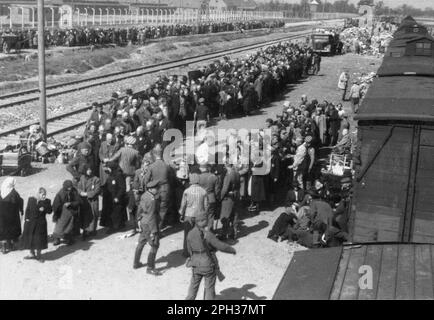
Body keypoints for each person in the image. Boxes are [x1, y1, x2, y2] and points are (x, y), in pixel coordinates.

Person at [185, 213, 236, 300]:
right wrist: (232, 250)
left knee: (193, 288)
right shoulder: (207, 234)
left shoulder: (189, 234)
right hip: (208, 264)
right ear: (201, 221)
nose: (208, 221)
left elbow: (189, 250)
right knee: (209, 289)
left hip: (195, 264)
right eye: (206, 219)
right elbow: (221, 246)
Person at [133, 180, 162, 276]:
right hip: (150, 225)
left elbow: (139, 209)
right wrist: (154, 231)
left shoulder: (144, 195)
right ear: (151, 189)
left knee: (141, 242)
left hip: (143, 222)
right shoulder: (152, 200)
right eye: (156, 188)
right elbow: (152, 216)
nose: (158, 190)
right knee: (155, 245)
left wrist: (138, 220)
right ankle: (150, 268)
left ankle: (136, 263)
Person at [179, 173, 209, 257]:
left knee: (187, 234)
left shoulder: (186, 191)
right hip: (200, 215)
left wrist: (181, 214)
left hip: (189, 215)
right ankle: (200, 251)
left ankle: (186, 252)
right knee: (200, 234)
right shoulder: (203, 191)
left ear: (190, 181)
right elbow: (206, 205)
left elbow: (183, 204)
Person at [21, 187, 52, 261]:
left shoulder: (47, 201)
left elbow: (50, 211)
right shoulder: (31, 199)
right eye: (42, 194)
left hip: (40, 224)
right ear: (38, 193)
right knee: (31, 239)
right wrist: (26, 219)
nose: (44, 196)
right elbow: (27, 209)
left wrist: (44, 207)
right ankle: (32, 253)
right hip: (31, 223)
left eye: (45, 194)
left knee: (39, 240)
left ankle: (39, 255)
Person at [145, 144, 171, 229]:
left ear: (154, 154)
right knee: (162, 210)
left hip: (154, 190)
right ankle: (158, 228)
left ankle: (153, 229)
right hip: (165, 190)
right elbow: (171, 178)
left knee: (154, 209)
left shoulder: (151, 166)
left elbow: (146, 180)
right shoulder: (166, 165)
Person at [52, 180, 82, 246]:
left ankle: (69, 238)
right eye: (68, 187)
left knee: (70, 226)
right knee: (59, 227)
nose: (70, 189)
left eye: (71, 187)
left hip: (71, 212)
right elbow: (55, 205)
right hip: (61, 213)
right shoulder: (60, 193)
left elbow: (78, 201)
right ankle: (57, 238)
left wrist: (71, 203)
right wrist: (62, 207)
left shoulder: (74, 191)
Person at [101, 162, 127, 234]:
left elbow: (122, 188)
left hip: (115, 197)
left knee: (115, 213)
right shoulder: (110, 174)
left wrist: (118, 197)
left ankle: (114, 227)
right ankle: (117, 225)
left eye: (108, 167)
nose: (107, 169)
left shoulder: (118, 175)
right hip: (109, 197)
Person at [0, 177, 24, 254]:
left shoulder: (1, 190)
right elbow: (19, 201)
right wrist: (21, 209)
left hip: (1, 216)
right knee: (11, 229)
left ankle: (3, 247)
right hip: (11, 215)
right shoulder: (13, 193)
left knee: (2, 229)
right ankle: (10, 245)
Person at [77, 165, 101, 239]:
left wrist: (87, 194)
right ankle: (86, 230)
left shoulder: (96, 179)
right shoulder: (82, 178)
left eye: (90, 169)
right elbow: (79, 187)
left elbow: (97, 191)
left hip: (93, 200)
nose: (89, 171)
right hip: (84, 201)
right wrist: (80, 192)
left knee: (94, 215)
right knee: (85, 215)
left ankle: (92, 230)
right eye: (88, 169)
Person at [219, 162, 240, 240]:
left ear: (225, 165)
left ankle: (224, 235)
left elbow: (225, 189)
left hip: (228, 198)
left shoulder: (228, 175)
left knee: (225, 216)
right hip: (236, 196)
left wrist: (220, 197)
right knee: (234, 215)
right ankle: (234, 233)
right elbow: (239, 185)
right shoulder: (237, 173)